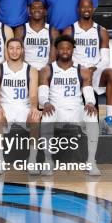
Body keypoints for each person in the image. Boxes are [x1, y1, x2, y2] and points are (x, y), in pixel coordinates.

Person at [38, 35, 100, 176]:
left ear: (73, 50)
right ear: (56, 50)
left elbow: (88, 91)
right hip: (56, 109)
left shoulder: (82, 70)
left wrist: (90, 103)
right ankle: (48, 161)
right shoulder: (47, 70)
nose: (65, 51)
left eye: (68, 48)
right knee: (46, 118)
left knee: (92, 117)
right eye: (62, 48)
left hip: (76, 110)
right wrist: (46, 103)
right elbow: (42, 93)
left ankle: (91, 161)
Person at [62, 0, 112, 133]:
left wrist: (93, 69)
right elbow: (65, 56)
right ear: (78, 9)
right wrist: (81, 69)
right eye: (83, 6)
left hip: (96, 70)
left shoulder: (101, 31)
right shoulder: (70, 30)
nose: (86, 9)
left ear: (93, 9)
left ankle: (109, 118)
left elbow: (105, 59)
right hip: (76, 71)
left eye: (89, 7)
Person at [0, 38, 41, 171]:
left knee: (35, 118)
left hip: (23, 107)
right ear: (7, 50)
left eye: (18, 48)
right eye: (11, 48)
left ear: (22, 50)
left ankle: (32, 160)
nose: (14, 51)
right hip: (5, 106)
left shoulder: (31, 70)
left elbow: (34, 94)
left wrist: (34, 107)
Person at [15, 0, 54, 70]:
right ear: (29, 11)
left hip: (46, 69)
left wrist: (45, 70)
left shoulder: (52, 30)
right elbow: (18, 55)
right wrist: (29, 70)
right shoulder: (21, 30)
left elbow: (53, 57)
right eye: (33, 8)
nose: (37, 10)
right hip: (26, 69)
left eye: (40, 8)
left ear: (45, 12)